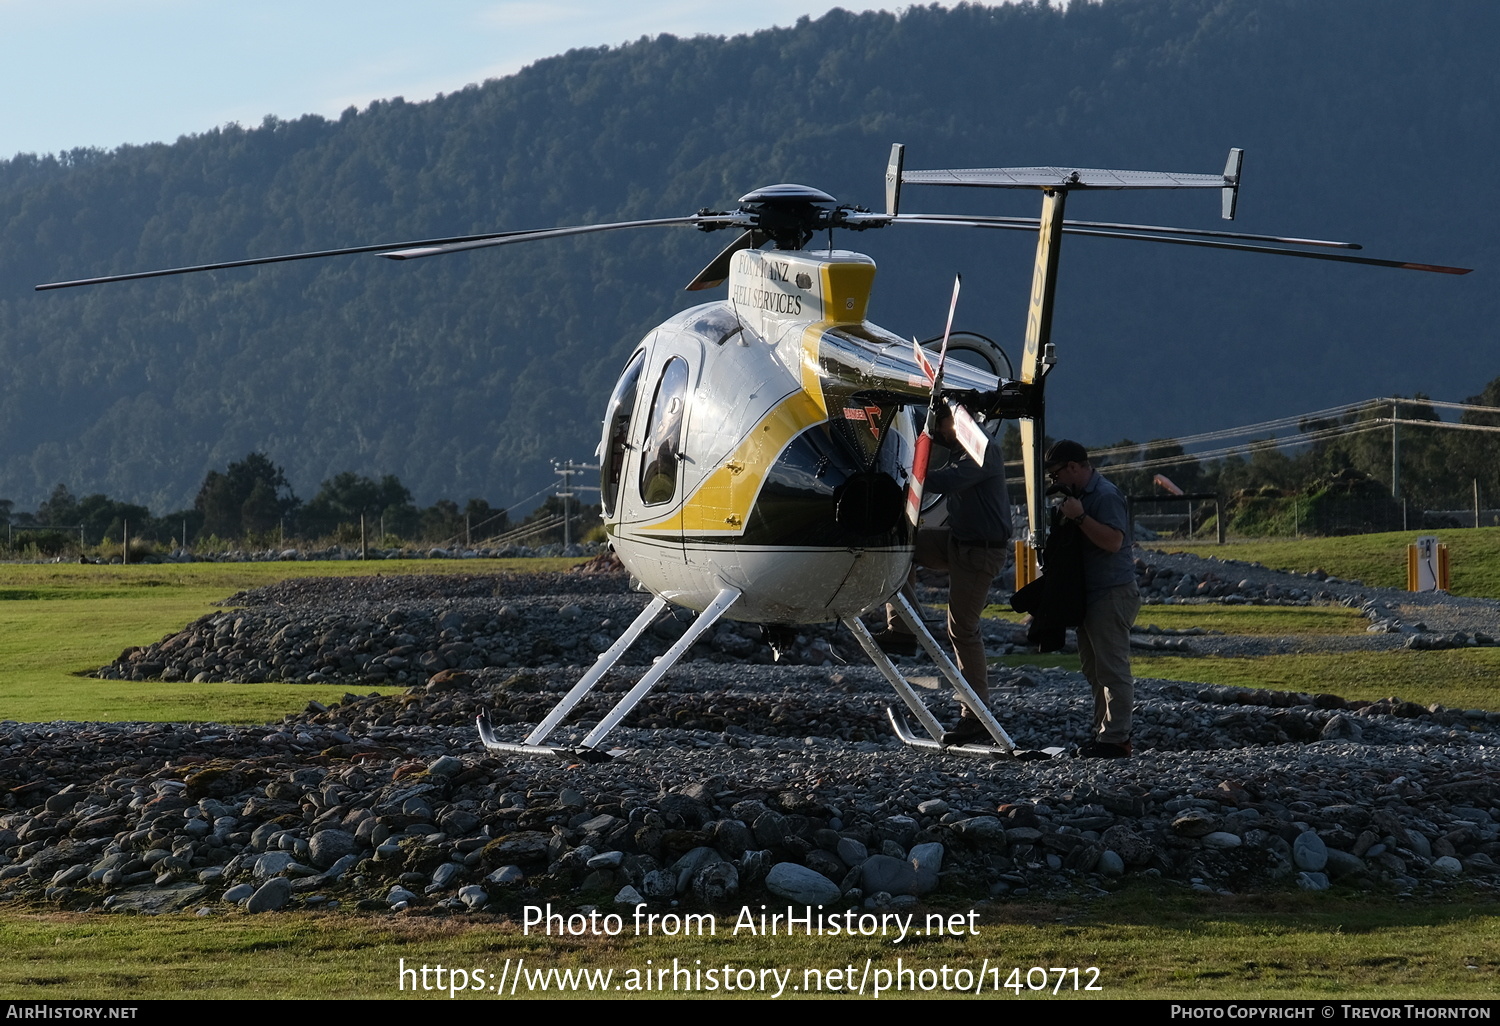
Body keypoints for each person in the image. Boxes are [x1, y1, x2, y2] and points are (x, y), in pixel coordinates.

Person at [880, 404, 1010, 746]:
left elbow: (948, 480)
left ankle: (977, 716)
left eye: (939, 425)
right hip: (960, 541)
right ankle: (903, 627)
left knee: (963, 629)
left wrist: (908, 472)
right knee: (901, 546)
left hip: (981, 550)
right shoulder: (961, 449)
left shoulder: (982, 449)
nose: (935, 432)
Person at [1044, 439, 1140, 758]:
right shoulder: (1079, 497)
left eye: (1056, 474)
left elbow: (1114, 541)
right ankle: (1105, 735)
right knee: (1094, 669)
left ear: (1074, 467)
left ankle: (1117, 738)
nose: (1054, 481)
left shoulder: (1105, 496)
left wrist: (1080, 518)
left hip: (1112, 592)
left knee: (1112, 669)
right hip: (1091, 594)